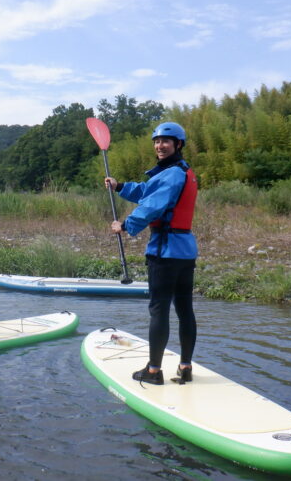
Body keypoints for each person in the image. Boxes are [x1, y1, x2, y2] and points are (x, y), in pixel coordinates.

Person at [104, 122, 198, 385]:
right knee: (184, 310)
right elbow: (147, 191)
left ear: (178, 144)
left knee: (159, 311)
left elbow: (153, 206)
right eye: (157, 141)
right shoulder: (180, 172)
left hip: (165, 252)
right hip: (185, 251)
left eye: (166, 141)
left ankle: (154, 372)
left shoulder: (172, 175)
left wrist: (126, 225)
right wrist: (120, 186)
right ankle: (185, 367)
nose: (160, 145)